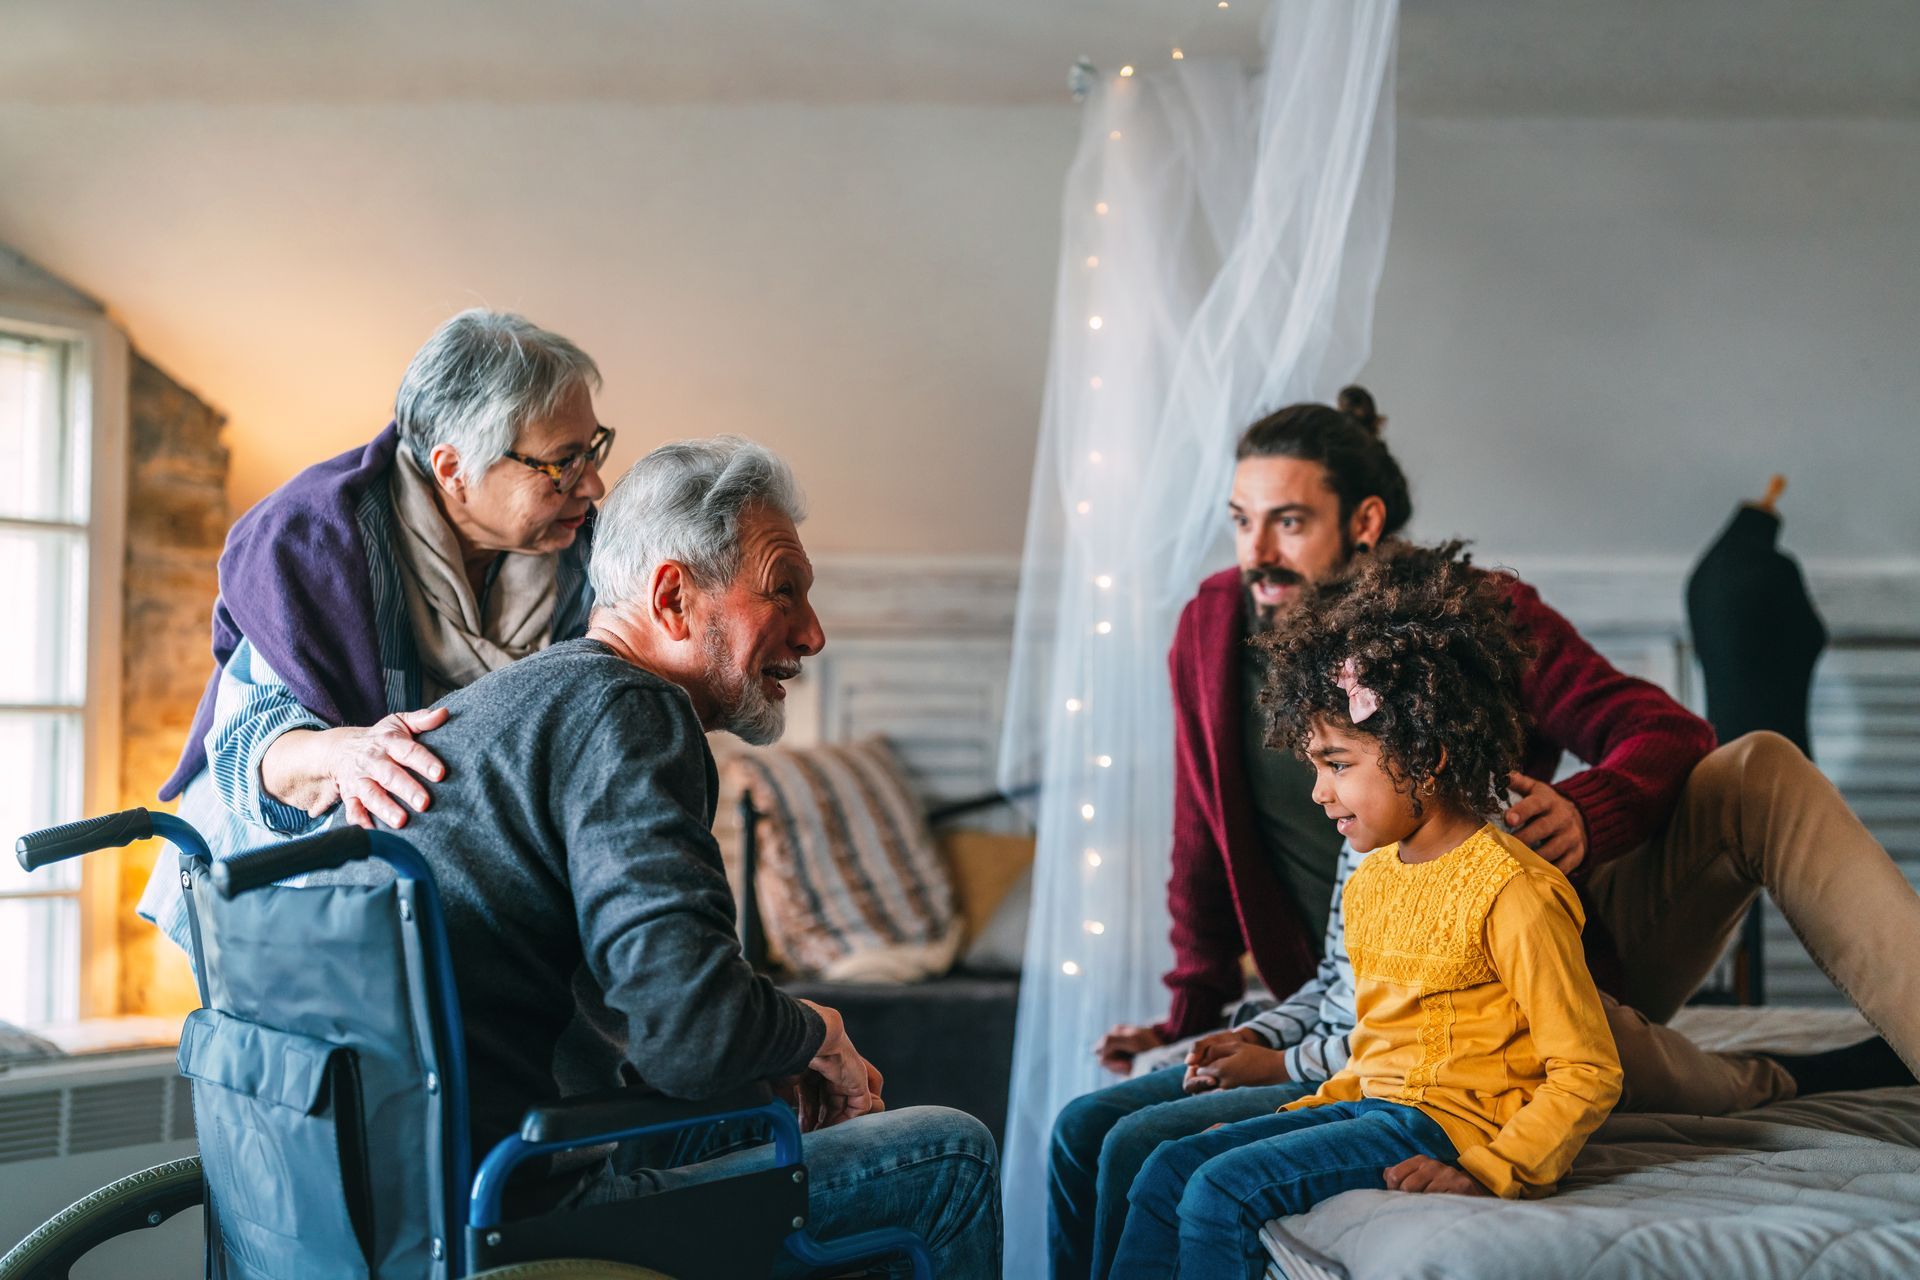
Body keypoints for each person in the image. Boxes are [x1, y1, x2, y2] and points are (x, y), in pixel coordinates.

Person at [1051, 387, 1920, 1280]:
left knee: (1757, 769)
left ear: (1365, 521)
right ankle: (1793, 1070)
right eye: (1241, 522)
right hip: (1365, 999)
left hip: (1507, 964)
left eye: (1289, 523)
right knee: (1097, 1131)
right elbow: (1202, 839)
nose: (1257, 556)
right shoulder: (1214, 628)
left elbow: (1663, 731)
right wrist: (1188, 1018)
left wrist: (1591, 807)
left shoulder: (1468, 618)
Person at [322, 437, 1002, 1275]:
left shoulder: (519, 701)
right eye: (782, 591)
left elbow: (659, 1010)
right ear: (675, 597)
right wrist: (812, 1028)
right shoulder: (633, 712)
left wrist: (773, 1055)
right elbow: (695, 1033)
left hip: (400, 1201)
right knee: (950, 1155)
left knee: (760, 1105)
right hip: (510, 1209)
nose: (814, 634)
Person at [1107, 542, 1623, 1280]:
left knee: (1220, 1189)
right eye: (1315, 766)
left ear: (1429, 754)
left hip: (1446, 1126)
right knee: (1168, 1164)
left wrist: (1498, 1166)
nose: (1320, 793)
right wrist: (1288, 1124)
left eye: (1338, 765)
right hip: (1365, 1107)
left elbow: (1587, 1069)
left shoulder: (1516, 891)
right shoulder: (1372, 879)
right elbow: (1375, 1052)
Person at [138, 309, 612, 951]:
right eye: (561, 461)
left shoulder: (584, 555)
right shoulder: (314, 540)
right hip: (279, 890)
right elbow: (249, 747)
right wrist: (345, 754)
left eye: (592, 449)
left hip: (446, 896)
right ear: (452, 470)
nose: (592, 482)